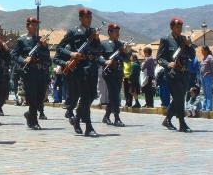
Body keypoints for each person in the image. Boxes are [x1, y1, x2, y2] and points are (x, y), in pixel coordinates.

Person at [54, 8, 102, 137]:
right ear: (80, 18)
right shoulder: (73, 32)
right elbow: (59, 48)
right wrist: (72, 53)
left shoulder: (93, 33)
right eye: (86, 17)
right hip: (79, 69)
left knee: (91, 97)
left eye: (90, 18)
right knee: (85, 96)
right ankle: (89, 127)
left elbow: (99, 51)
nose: (88, 20)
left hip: (91, 68)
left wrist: (97, 40)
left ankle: (76, 120)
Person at [11, 17, 51, 131]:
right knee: (32, 98)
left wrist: (44, 47)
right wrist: (23, 60)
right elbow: (14, 55)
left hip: (41, 72)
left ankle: (29, 114)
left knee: (40, 98)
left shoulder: (41, 40)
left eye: (36, 25)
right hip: (29, 72)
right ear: (28, 26)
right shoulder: (21, 40)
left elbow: (47, 57)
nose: (35, 27)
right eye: (33, 25)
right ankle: (34, 121)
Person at [156, 17, 195, 133]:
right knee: (179, 97)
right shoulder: (166, 39)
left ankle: (167, 119)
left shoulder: (184, 40)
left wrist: (188, 45)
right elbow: (159, 58)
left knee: (179, 98)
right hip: (172, 74)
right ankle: (182, 123)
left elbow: (192, 56)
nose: (179, 29)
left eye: (180, 27)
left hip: (184, 73)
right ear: (171, 27)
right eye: (176, 27)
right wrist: (168, 64)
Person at [100, 24, 129, 127]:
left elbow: (126, 59)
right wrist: (105, 61)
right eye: (115, 31)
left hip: (118, 72)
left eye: (118, 31)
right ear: (109, 32)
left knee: (114, 95)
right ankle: (117, 117)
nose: (117, 33)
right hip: (109, 73)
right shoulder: (104, 44)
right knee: (114, 95)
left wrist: (126, 52)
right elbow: (98, 57)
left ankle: (106, 116)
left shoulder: (121, 45)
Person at [200, 45, 213, 111]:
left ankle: (209, 108)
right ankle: (204, 107)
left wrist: (210, 73)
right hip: (203, 77)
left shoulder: (210, 57)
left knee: (209, 93)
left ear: (206, 50)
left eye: (202, 50)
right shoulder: (204, 58)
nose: (201, 52)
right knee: (205, 93)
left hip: (208, 77)